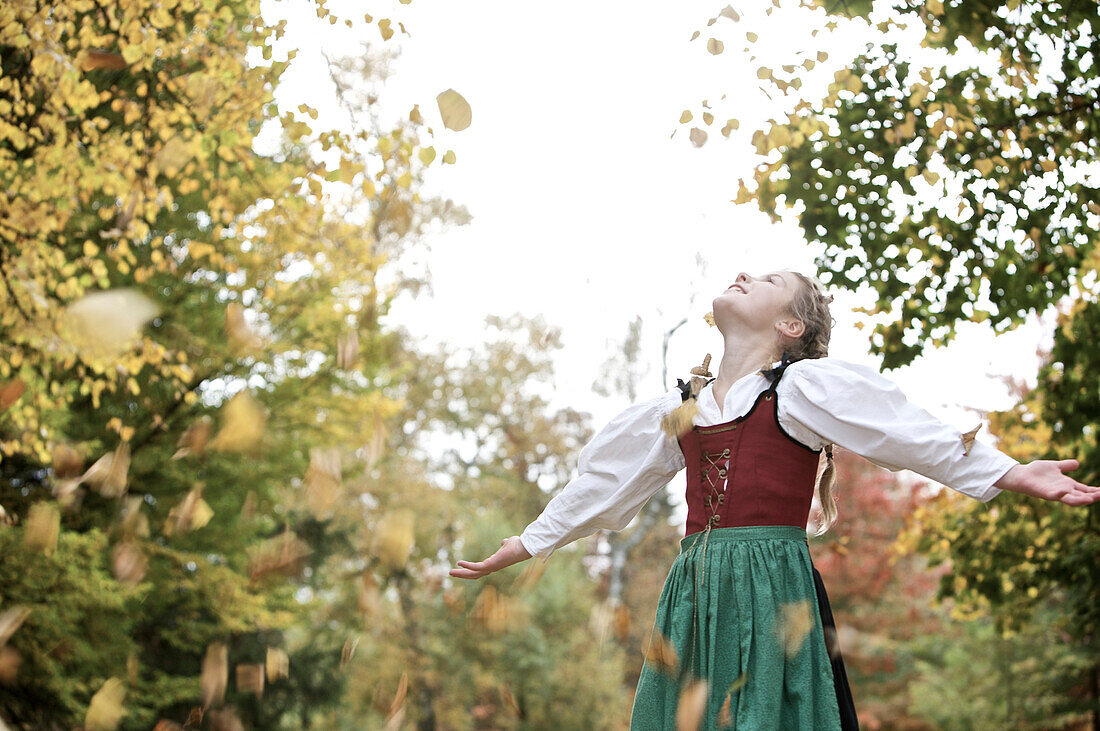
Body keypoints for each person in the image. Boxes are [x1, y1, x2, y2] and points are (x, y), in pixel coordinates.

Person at [448, 270, 1100, 730]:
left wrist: (1008, 471)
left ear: (791, 324)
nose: (741, 275)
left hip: (771, 584)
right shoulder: (681, 409)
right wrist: (531, 539)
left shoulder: (800, 389)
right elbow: (604, 481)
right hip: (696, 589)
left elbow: (901, 429)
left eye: (762, 279)